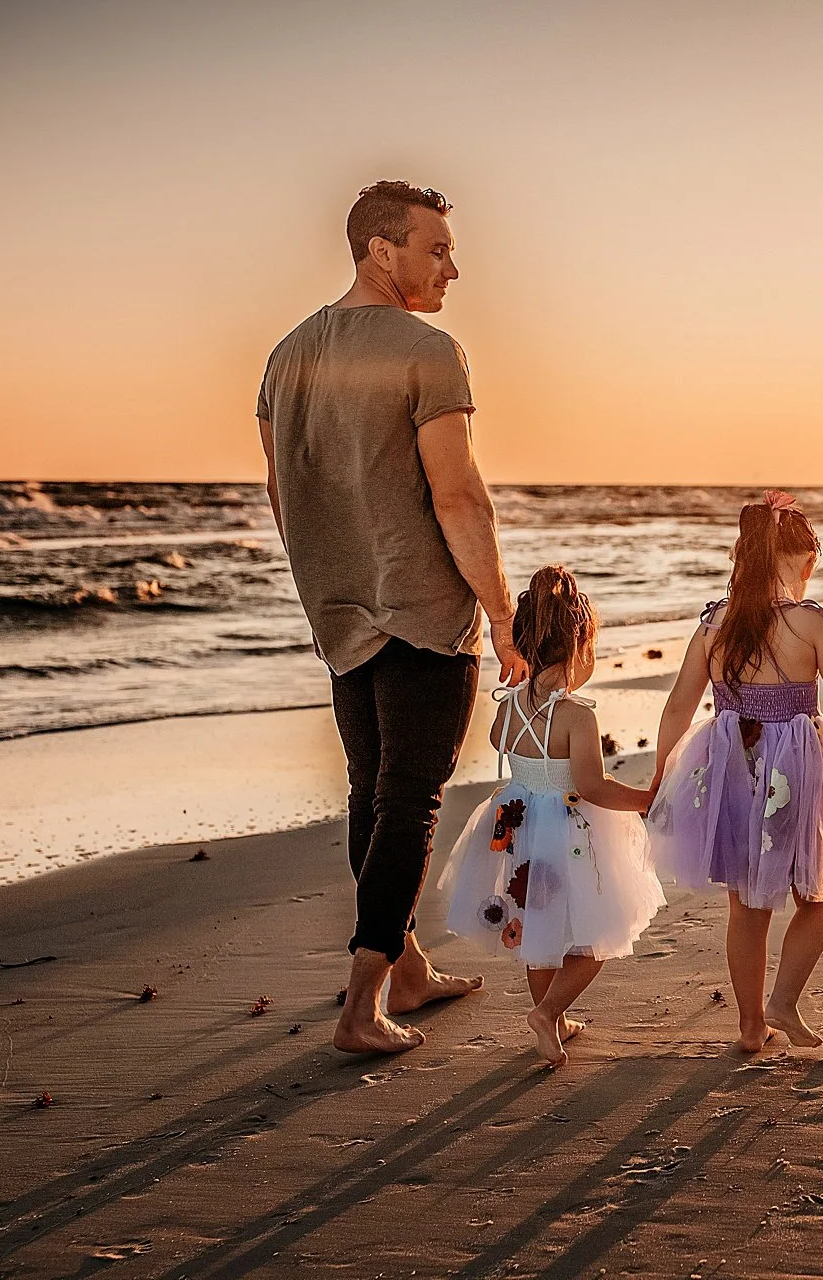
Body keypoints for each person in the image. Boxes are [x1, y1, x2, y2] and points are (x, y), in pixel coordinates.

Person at [257, 179, 528, 1055]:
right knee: (408, 801)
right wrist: (500, 610)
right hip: (418, 606)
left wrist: (328, 577)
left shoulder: (287, 355)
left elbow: (279, 494)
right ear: (384, 251)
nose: (454, 266)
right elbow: (457, 495)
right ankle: (361, 1005)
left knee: (370, 796)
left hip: (336, 613)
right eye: (437, 249)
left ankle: (405, 971)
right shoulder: (427, 348)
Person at [646, 491, 823, 1053]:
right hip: (793, 768)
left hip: (730, 762)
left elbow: (679, 707)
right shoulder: (809, 624)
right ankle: (783, 1001)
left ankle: (751, 1025)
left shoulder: (714, 625)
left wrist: (664, 774)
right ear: (804, 562)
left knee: (747, 903)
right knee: (819, 895)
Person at [441, 566, 665, 1069]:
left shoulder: (511, 706)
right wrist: (646, 799)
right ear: (581, 646)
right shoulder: (578, 714)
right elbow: (592, 787)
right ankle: (548, 1013)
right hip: (571, 828)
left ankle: (554, 1019)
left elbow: (500, 742)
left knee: (535, 921)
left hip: (520, 823)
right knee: (602, 930)